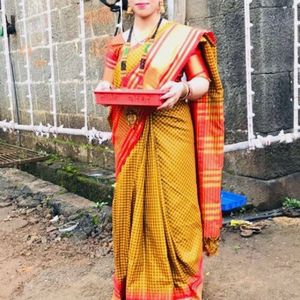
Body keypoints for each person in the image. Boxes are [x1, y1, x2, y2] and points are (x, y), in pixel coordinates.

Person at [96, 0, 224, 299]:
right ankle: (137, 285)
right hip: (131, 130)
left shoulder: (179, 37)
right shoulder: (117, 43)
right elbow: (106, 80)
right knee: (130, 202)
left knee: (178, 204)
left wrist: (182, 89)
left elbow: (203, 81)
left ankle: (183, 285)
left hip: (172, 128)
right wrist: (104, 88)